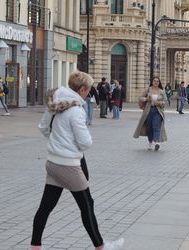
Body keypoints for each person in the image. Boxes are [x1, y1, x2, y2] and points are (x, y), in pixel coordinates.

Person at [31, 70, 124, 250]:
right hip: (69, 165)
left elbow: (43, 127)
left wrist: (57, 142)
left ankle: (35, 246)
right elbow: (85, 142)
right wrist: (69, 145)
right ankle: (101, 246)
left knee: (45, 207)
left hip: (53, 162)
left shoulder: (55, 102)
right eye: (88, 89)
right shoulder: (76, 111)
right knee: (87, 205)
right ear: (81, 90)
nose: (89, 93)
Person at [133, 77, 167, 151]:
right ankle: (150, 142)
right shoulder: (148, 90)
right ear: (152, 82)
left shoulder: (162, 91)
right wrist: (146, 99)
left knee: (156, 126)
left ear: (159, 83)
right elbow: (140, 98)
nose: (156, 82)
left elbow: (165, 102)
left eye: (157, 81)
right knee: (149, 128)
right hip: (148, 111)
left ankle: (157, 142)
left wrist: (158, 103)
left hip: (157, 111)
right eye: (154, 81)